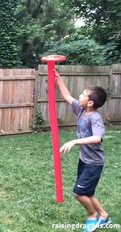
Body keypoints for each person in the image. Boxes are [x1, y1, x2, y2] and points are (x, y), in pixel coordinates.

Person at [55, 71, 111, 232]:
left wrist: (75, 141)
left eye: (82, 95)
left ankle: (92, 216)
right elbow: (67, 96)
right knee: (88, 193)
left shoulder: (95, 118)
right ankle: (104, 216)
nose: (79, 96)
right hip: (85, 160)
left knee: (79, 193)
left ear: (90, 102)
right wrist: (58, 80)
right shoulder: (80, 110)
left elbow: (97, 138)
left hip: (94, 163)